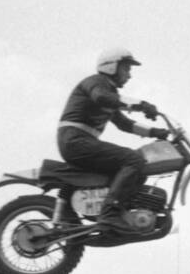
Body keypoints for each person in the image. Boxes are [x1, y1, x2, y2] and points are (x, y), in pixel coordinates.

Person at [57, 47, 168, 233]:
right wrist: (140, 104)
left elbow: (125, 124)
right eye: (126, 69)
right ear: (111, 67)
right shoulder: (96, 83)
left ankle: (120, 213)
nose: (129, 75)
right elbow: (101, 97)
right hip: (75, 140)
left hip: (80, 142)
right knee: (133, 159)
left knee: (137, 170)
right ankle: (110, 213)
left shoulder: (110, 94)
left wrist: (156, 132)